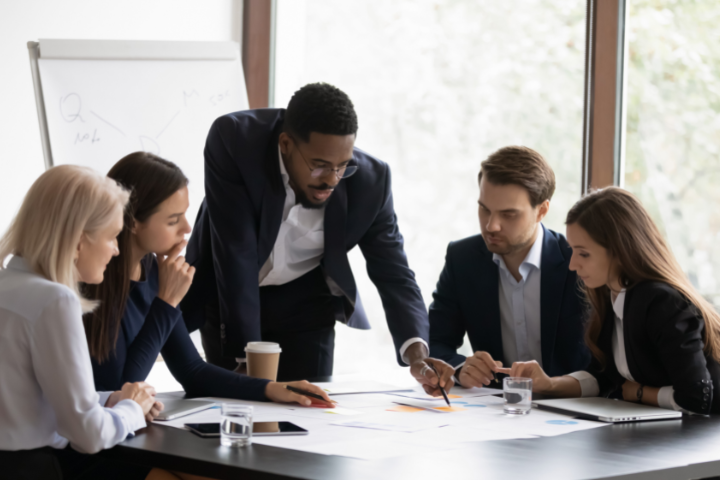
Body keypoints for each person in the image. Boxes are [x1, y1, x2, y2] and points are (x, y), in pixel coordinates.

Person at [181, 82, 454, 393]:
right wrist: (247, 359)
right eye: (320, 166)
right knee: (235, 407)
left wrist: (418, 356)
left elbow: (394, 271)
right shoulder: (235, 141)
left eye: (342, 166)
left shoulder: (371, 181)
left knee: (310, 409)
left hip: (306, 302)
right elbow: (236, 252)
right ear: (285, 144)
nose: (331, 180)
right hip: (230, 295)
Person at [83, 152, 336, 412]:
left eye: (184, 215)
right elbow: (119, 391)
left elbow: (191, 370)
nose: (187, 228)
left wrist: (271, 388)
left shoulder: (155, 271)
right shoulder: (94, 280)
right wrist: (167, 302)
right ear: (133, 222)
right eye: (173, 220)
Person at [0, 165, 160, 479]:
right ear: (77, 241)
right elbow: (89, 434)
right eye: (113, 236)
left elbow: (29, 396)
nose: (116, 250)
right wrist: (132, 410)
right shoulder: (55, 300)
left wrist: (110, 399)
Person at [501, 187, 720, 414]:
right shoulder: (612, 295)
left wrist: (639, 393)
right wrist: (549, 384)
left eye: (583, 253)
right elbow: (603, 377)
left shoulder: (660, 301)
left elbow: (697, 398)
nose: (572, 265)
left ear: (620, 250)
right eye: (572, 251)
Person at [429, 146, 590, 389]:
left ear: (542, 211)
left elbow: (604, 362)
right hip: (494, 410)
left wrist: (554, 386)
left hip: (570, 408)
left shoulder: (577, 262)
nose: (491, 226)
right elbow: (434, 341)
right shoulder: (462, 258)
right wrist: (461, 369)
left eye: (509, 214)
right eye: (484, 209)